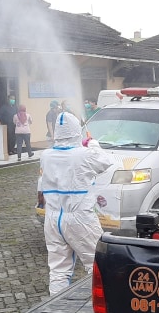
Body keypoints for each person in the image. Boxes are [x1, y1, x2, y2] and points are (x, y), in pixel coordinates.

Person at [40, 112, 119, 295]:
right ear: (77, 131)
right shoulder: (85, 155)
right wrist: (92, 142)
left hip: (53, 218)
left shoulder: (46, 155)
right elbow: (106, 162)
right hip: (80, 217)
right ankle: (102, 309)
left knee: (59, 268)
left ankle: (58, 312)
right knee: (98, 263)